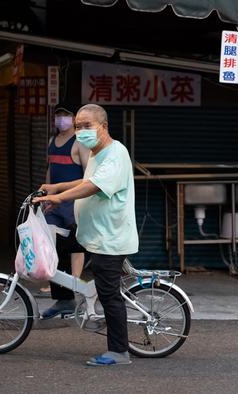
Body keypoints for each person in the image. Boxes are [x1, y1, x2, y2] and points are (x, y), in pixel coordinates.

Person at [34, 103, 138, 366]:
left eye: (86, 126)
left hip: (110, 239)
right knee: (59, 247)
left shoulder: (115, 154)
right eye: (78, 126)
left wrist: (58, 198)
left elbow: (93, 186)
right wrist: (57, 186)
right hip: (94, 234)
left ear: (103, 127)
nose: (81, 131)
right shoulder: (96, 153)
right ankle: (65, 300)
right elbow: (85, 180)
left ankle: (118, 352)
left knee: (108, 295)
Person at [39, 104, 90, 319]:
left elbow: (90, 177)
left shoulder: (80, 143)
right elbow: (50, 169)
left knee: (74, 246)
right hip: (54, 201)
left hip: (73, 201)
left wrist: (66, 193)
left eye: (66, 115)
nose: (61, 119)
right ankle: (62, 291)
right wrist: (46, 191)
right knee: (50, 242)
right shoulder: (52, 142)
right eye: (58, 115)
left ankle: (75, 283)